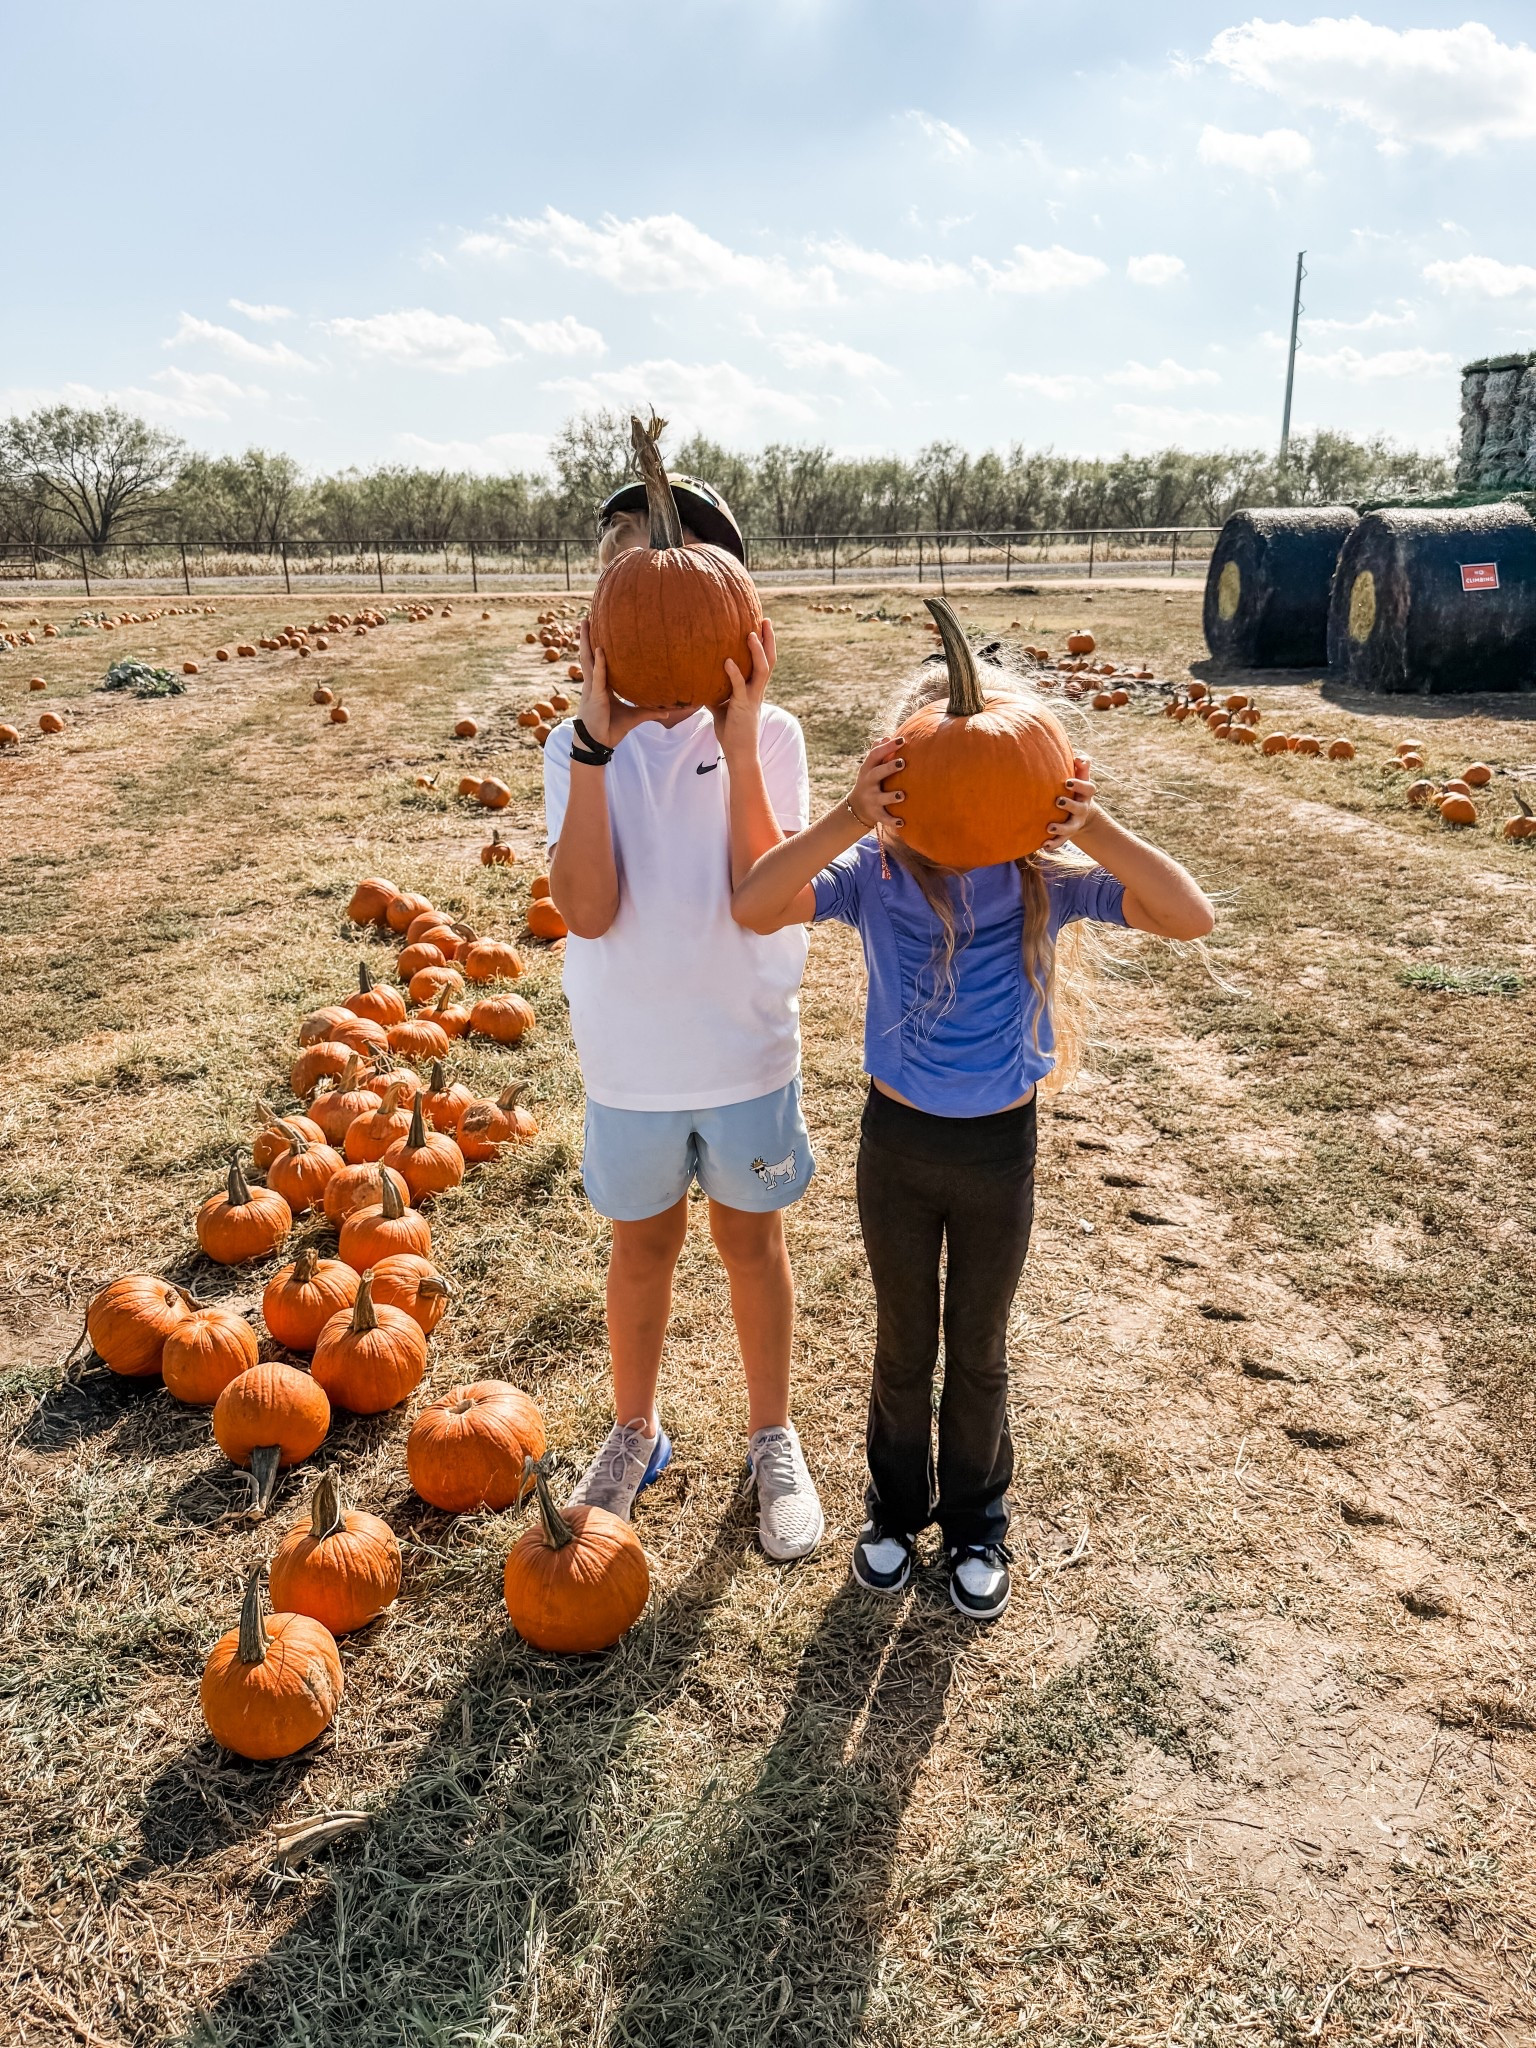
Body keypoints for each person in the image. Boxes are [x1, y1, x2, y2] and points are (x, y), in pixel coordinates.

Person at [730, 634, 1214, 1618]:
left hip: (1000, 1152)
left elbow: (1189, 914)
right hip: (897, 1148)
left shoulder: (1046, 877)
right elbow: (754, 903)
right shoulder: (874, 871)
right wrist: (849, 814)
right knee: (905, 1343)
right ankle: (894, 1515)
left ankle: (976, 1527)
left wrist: (1095, 823)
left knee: (979, 1349)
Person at [541, 471, 825, 1561]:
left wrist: (742, 730)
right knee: (643, 1245)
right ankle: (635, 1428)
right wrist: (597, 748)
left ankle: (771, 1434)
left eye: (673, 572)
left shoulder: (777, 735)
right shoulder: (577, 746)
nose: (646, 595)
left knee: (751, 1242)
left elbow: (763, 886)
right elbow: (589, 906)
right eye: (621, 571)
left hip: (743, 1042)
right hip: (630, 1058)